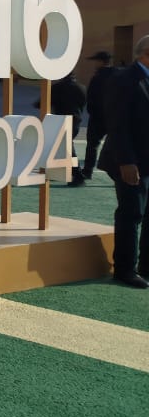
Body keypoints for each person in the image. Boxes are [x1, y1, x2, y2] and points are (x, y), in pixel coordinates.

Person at [97, 34, 149, 289]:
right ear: (145, 54)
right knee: (131, 214)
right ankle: (125, 269)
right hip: (128, 162)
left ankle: (145, 266)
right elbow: (117, 126)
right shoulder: (123, 80)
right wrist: (127, 162)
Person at [48, 72, 86, 186]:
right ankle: (58, 171)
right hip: (76, 119)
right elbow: (83, 103)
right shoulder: (81, 87)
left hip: (61, 120)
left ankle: (78, 175)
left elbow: (42, 102)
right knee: (66, 146)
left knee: (68, 148)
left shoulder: (57, 87)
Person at [81, 50, 115, 181]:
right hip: (114, 117)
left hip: (98, 118)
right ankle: (119, 173)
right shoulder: (118, 74)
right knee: (116, 145)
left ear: (101, 62)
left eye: (96, 60)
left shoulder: (97, 77)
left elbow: (91, 97)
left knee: (92, 145)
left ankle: (88, 171)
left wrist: (92, 112)